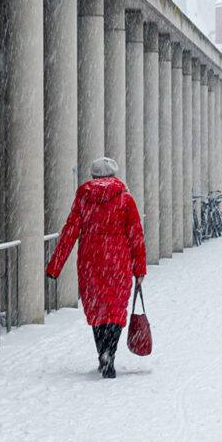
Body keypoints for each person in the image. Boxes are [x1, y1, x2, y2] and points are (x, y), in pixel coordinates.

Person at [45, 156, 146, 379]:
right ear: (114, 176)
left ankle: (102, 351)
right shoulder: (125, 199)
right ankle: (111, 352)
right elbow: (136, 236)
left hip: (91, 264)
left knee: (98, 311)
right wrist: (139, 270)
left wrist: (55, 266)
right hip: (118, 264)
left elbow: (69, 233)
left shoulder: (83, 199)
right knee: (116, 311)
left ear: (93, 177)